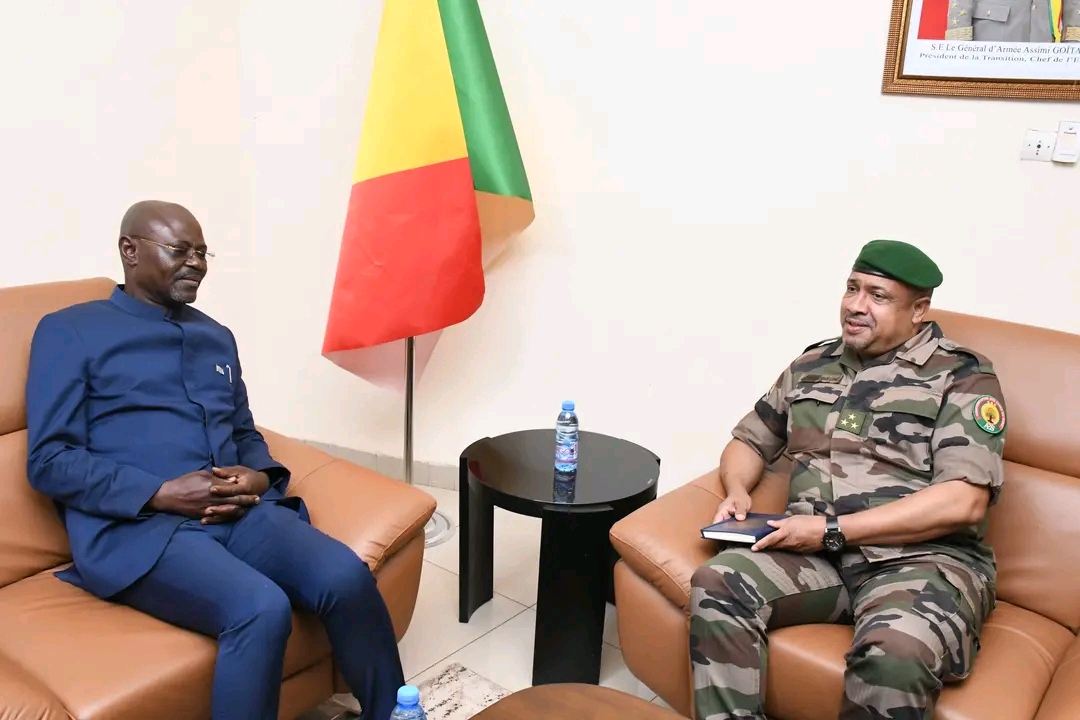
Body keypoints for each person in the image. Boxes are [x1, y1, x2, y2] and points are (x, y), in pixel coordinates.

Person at [25, 201, 404, 720]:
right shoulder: (69, 331)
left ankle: (395, 714)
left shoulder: (215, 336)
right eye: (180, 250)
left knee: (346, 575)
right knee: (260, 608)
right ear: (130, 250)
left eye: (203, 253)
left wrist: (259, 476)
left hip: (239, 513)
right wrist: (160, 493)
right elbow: (49, 459)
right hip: (141, 531)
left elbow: (243, 431)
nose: (196, 263)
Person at [690, 240, 1007, 720]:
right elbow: (749, 441)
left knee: (896, 651)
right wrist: (737, 489)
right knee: (718, 581)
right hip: (817, 557)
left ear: (919, 310)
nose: (856, 306)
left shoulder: (963, 376)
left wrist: (831, 530)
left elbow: (963, 501)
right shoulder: (813, 364)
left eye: (878, 296)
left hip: (920, 560)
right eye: (852, 288)